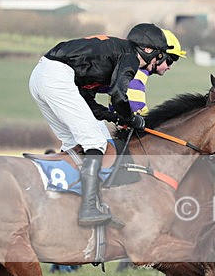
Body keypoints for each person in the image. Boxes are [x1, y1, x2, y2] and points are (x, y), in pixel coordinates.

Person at [29, 23, 170, 227]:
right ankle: (88, 208)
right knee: (96, 142)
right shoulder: (130, 56)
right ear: (148, 50)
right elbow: (119, 94)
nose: (159, 61)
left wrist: (116, 118)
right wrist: (131, 119)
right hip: (56, 77)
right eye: (160, 55)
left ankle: (66, 200)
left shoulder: (113, 54)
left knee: (73, 142)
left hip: (41, 76)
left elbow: (89, 103)